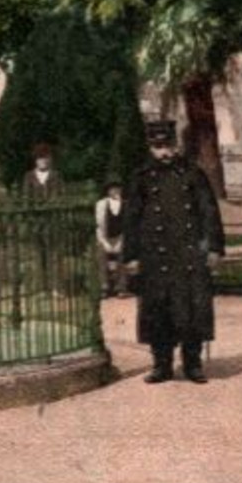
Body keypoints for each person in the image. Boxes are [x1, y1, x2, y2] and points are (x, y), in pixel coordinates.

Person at [124, 136, 225, 383]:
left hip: (188, 253)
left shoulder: (193, 173)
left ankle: (193, 363)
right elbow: (132, 218)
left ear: (177, 146)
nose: (165, 153)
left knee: (191, 310)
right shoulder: (142, 176)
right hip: (155, 256)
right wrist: (131, 255)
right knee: (158, 311)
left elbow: (209, 211)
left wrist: (214, 248)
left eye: (168, 147)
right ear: (151, 148)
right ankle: (161, 364)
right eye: (158, 148)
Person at [94, 182, 129, 298]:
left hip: (121, 238)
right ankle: (104, 286)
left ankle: (121, 287)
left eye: (117, 189)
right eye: (112, 189)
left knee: (124, 254)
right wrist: (104, 242)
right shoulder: (101, 204)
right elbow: (98, 226)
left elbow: (128, 226)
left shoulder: (126, 204)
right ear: (108, 191)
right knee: (100, 254)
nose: (115, 191)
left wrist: (120, 241)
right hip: (105, 238)